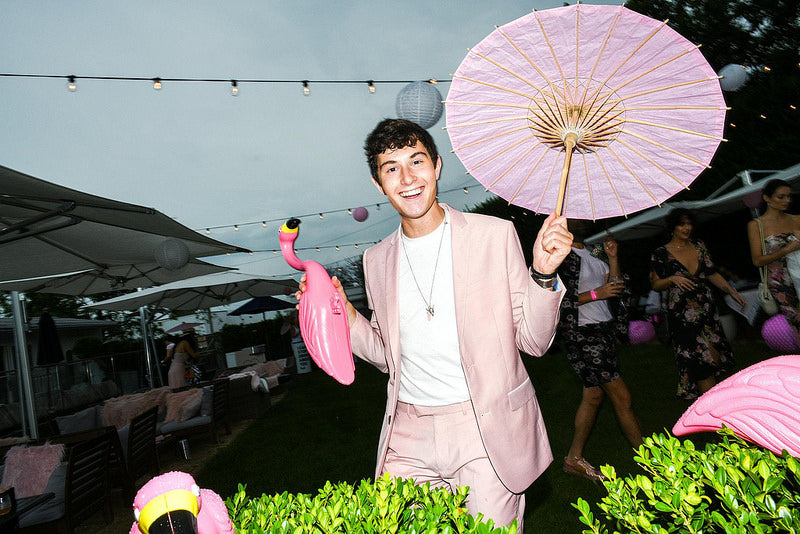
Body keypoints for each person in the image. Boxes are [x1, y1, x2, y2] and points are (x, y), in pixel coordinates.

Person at [297, 119, 572, 529]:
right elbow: (388, 357)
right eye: (391, 168)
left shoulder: (494, 235)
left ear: (437, 166)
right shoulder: (375, 261)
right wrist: (345, 315)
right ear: (378, 184)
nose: (407, 178)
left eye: (417, 161)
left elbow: (533, 341)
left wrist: (543, 274)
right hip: (408, 433)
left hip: (484, 428)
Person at [556, 220, 643, 482]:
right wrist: (597, 294)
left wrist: (613, 258)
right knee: (622, 397)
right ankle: (654, 463)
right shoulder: (561, 256)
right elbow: (559, 299)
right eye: (577, 217)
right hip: (582, 334)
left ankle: (573, 459)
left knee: (594, 396)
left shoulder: (593, 252)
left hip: (602, 330)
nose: (583, 221)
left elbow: (614, 287)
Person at [650, 209, 746, 399]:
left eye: (689, 224)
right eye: (682, 224)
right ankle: (713, 408)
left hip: (707, 310)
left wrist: (731, 290)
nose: (687, 228)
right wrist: (672, 279)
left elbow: (711, 273)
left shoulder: (699, 246)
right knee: (702, 362)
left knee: (714, 358)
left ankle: (710, 404)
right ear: (672, 228)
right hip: (683, 315)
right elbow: (655, 284)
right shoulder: (660, 254)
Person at [746, 179, 800, 339]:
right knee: (796, 321)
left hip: (799, 274)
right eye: (781, 197)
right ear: (767, 198)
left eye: (789, 196)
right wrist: (786, 250)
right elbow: (757, 261)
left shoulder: (796, 219)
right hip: (780, 283)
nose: (787, 201)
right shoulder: (757, 225)